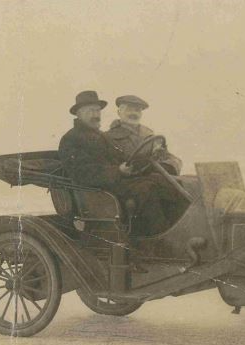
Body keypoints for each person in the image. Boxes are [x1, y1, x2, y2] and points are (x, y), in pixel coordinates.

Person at [58, 90, 186, 237]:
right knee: (147, 189)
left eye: (97, 111)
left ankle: (180, 233)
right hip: (97, 190)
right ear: (78, 114)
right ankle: (157, 240)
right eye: (90, 111)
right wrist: (118, 171)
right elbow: (82, 172)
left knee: (165, 183)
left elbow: (122, 158)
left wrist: (143, 160)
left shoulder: (99, 135)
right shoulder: (71, 139)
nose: (96, 115)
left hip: (114, 183)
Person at [104, 95, 182, 175]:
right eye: (129, 110)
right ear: (119, 112)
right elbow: (104, 167)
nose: (134, 113)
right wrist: (119, 170)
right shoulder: (108, 137)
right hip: (127, 180)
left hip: (150, 176)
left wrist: (170, 163)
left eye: (137, 110)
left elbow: (165, 155)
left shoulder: (149, 135)